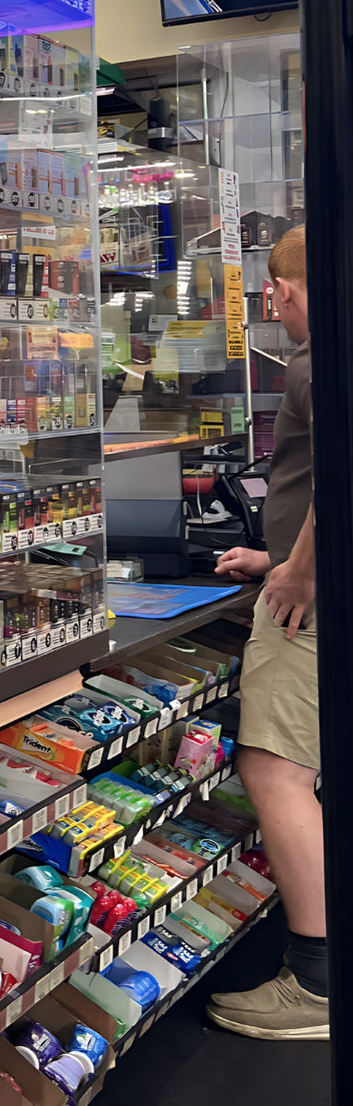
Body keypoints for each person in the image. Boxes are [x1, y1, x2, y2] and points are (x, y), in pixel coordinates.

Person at [205, 225, 324, 1040]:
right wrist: (275, 552)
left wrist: (301, 571)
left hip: (307, 606)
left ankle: (315, 985)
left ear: (285, 288)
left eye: (275, 293)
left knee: (272, 767)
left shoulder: (321, 364)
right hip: (301, 579)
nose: (274, 307)